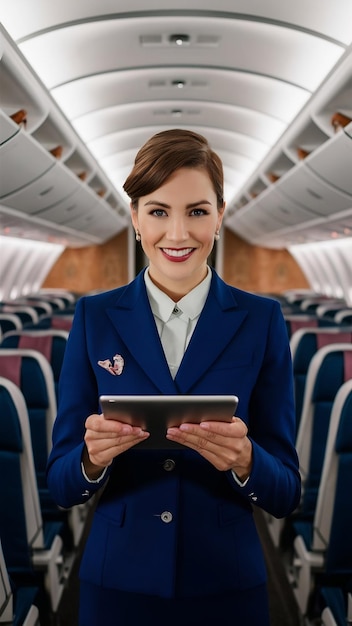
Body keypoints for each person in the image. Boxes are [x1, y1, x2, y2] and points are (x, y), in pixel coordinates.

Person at [46, 129, 301, 626]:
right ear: (136, 218)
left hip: (227, 583)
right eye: (159, 211)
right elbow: (60, 483)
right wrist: (90, 461)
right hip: (117, 581)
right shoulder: (94, 318)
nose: (179, 234)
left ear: (221, 217)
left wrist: (247, 461)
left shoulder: (262, 320)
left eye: (198, 211)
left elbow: (287, 492)